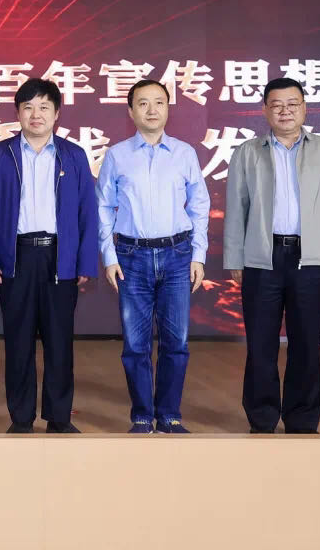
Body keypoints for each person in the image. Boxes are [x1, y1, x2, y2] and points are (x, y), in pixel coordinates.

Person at [224, 77, 320, 434]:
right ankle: (262, 418)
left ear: (305, 109)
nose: (285, 111)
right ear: (265, 110)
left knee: (306, 343)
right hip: (261, 258)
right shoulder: (247, 152)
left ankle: (302, 420)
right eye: (277, 105)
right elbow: (237, 208)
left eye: (292, 104)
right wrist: (235, 257)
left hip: (309, 259)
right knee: (260, 344)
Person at [0, 78, 99, 433]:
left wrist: (83, 261)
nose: (36, 114)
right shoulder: (0, 155)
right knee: (18, 343)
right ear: (17, 112)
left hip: (58, 258)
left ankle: (59, 418)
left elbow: (87, 213)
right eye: (28, 107)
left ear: (57, 113)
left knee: (60, 342)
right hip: (15, 257)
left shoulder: (73, 155)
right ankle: (21, 418)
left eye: (44, 107)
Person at [97, 79, 209, 434]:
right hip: (131, 256)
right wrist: (109, 256)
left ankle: (170, 414)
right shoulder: (117, 155)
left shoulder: (184, 153)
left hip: (178, 255)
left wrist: (198, 255)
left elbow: (200, 205)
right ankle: (142, 415)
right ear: (131, 111)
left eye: (158, 102)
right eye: (142, 103)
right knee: (135, 344)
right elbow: (103, 208)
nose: (151, 110)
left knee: (176, 342)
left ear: (168, 108)